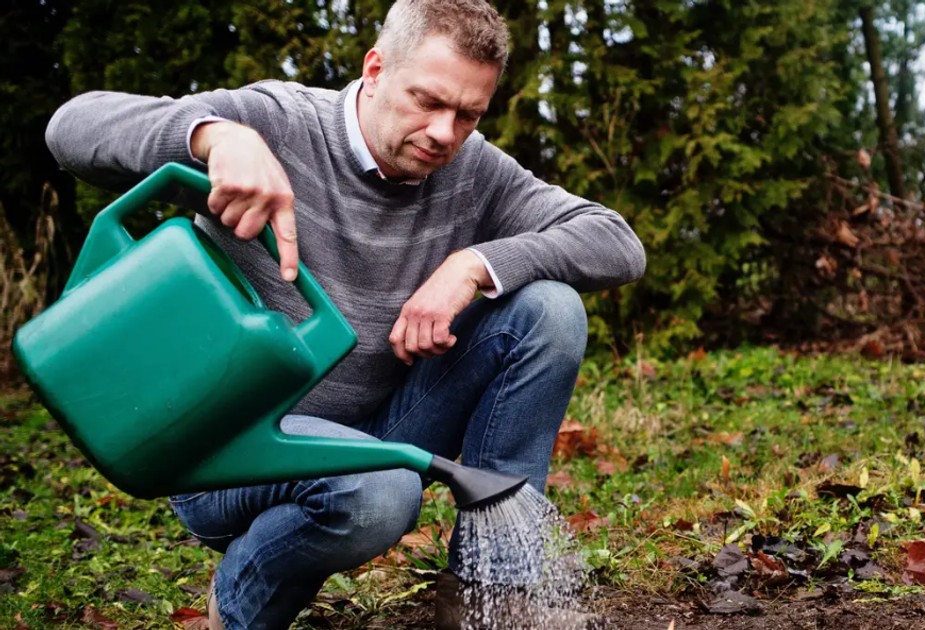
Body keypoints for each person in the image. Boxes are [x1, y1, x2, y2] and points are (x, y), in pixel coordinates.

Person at [44, 0, 645, 628]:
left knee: (549, 309)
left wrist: (473, 264)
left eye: (468, 114)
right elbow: (71, 127)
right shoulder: (276, 122)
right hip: (225, 448)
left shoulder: (473, 170)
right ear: (376, 67)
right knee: (382, 491)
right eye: (428, 101)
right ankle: (244, 599)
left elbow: (616, 242)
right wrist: (217, 137)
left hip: (373, 435)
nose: (445, 132)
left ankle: (494, 596)